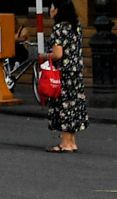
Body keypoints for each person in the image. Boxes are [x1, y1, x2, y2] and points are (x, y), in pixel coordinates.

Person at [41, 0, 86, 153]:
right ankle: (72, 141)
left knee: (64, 106)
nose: (50, 10)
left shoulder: (59, 28)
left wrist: (44, 55)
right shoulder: (76, 27)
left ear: (58, 10)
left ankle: (65, 144)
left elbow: (58, 54)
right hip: (76, 73)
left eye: (52, 7)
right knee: (74, 106)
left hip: (64, 74)